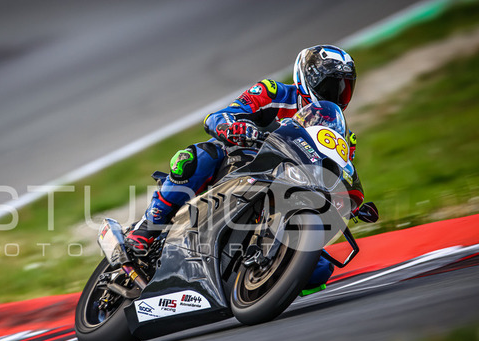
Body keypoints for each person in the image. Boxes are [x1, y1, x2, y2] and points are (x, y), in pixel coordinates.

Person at [125, 44, 376, 288]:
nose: (336, 94)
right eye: (330, 85)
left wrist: (349, 200)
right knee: (194, 158)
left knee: (320, 269)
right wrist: (231, 126)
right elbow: (219, 116)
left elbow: (336, 173)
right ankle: (146, 228)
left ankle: (251, 278)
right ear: (307, 78)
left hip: (290, 191)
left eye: (344, 88)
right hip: (244, 161)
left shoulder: (340, 133)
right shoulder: (273, 92)